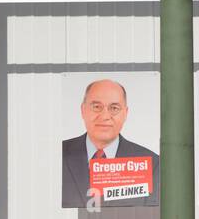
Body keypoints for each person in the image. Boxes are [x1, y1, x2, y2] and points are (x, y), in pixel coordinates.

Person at [61, 79, 161, 207]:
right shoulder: (58, 154)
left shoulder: (152, 164)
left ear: (125, 113)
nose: (104, 116)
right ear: (83, 110)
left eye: (114, 108)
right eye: (96, 107)